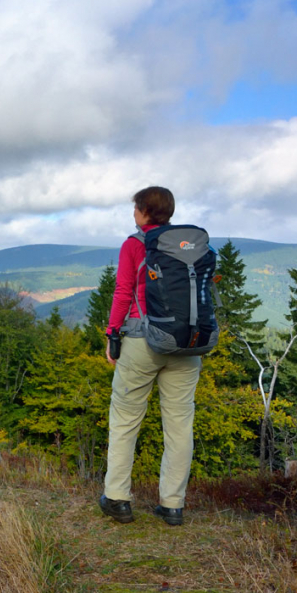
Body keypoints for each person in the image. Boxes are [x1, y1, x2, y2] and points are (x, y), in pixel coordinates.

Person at [98, 186, 201, 526]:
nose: (133, 215)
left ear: (144, 212)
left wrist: (113, 334)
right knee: (179, 425)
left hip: (143, 341)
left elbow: (123, 291)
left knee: (125, 420)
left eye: (135, 209)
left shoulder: (135, 244)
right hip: (187, 344)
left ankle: (117, 498)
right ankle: (172, 505)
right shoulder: (191, 247)